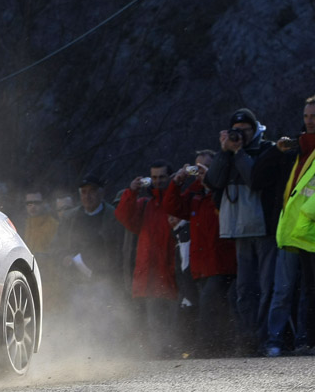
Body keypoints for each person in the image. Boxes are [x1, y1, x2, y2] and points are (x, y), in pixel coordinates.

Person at [204, 108, 277, 354]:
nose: (241, 134)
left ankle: (267, 339)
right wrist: (224, 152)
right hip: (239, 229)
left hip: (264, 227)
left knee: (267, 286)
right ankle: (248, 339)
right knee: (244, 289)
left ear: (255, 129)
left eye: (246, 129)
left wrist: (239, 153)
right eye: (237, 130)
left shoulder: (267, 149)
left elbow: (255, 179)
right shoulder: (230, 152)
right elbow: (213, 181)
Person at [163, 150, 238, 356]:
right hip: (201, 266)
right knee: (216, 306)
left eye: (206, 167)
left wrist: (212, 182)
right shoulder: (196, 193)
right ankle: (222, 347)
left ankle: (205, 348)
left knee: (208, 304)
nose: (200, 171)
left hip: (222, 263)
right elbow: (172, 206)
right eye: (197, 167)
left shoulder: (222, 190)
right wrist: (177, 181)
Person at [257, 95, 315, 356]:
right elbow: (258, 177)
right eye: (306, 116)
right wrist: (274, 151)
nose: (309, 121)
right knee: (284, 289)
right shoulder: (294, 149)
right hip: (290, 231)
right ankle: (275, 342)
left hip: (309, 230)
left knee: (308, 292)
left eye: (313, 116)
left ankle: (304, 340)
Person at [50, 174, 125, 344]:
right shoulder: (70, 218)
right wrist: (64, 258)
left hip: (104, 280)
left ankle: (108, 357)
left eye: (92, 191)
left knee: (105, 325)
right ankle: (82, 359)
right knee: (79, 326)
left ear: (101, 193)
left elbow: (121, 248)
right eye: (83, 192)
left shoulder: (113, 217)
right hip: (76, 281)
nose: (87, 196)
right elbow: (56, 247)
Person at [116, 161, 179, 357]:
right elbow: (123, 216)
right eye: (154, 177)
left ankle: (177, 351)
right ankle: (156, 354)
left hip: (173, 272)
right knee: (153, 321)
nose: (158, 181)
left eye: (162, 177)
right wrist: (131, 192)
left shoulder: (177, 202)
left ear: (170, 177)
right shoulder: (144, 205)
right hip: (150, 275)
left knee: (176, 320)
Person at [21, 190, 58, 255]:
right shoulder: (22, 225)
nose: (33, 206)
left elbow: (56, 251)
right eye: (29, 203)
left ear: (43, 203)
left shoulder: (53, 225)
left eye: (37, 203)